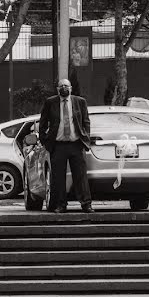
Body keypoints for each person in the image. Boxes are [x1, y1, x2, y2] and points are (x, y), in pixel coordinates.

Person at [38, 79, 94, 213]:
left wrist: (85, 138)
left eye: (66, 86)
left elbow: (86, 121)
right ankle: (61, 205)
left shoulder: (80, 102)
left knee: (80, 176)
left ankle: (86, 204)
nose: (64, 88)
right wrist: (45, 141)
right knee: (58, 178)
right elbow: (43, 123)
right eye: (61, 86)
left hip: (76, 144)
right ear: (57, 89)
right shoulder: (50, 102)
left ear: (71, 88)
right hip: (58, 146)